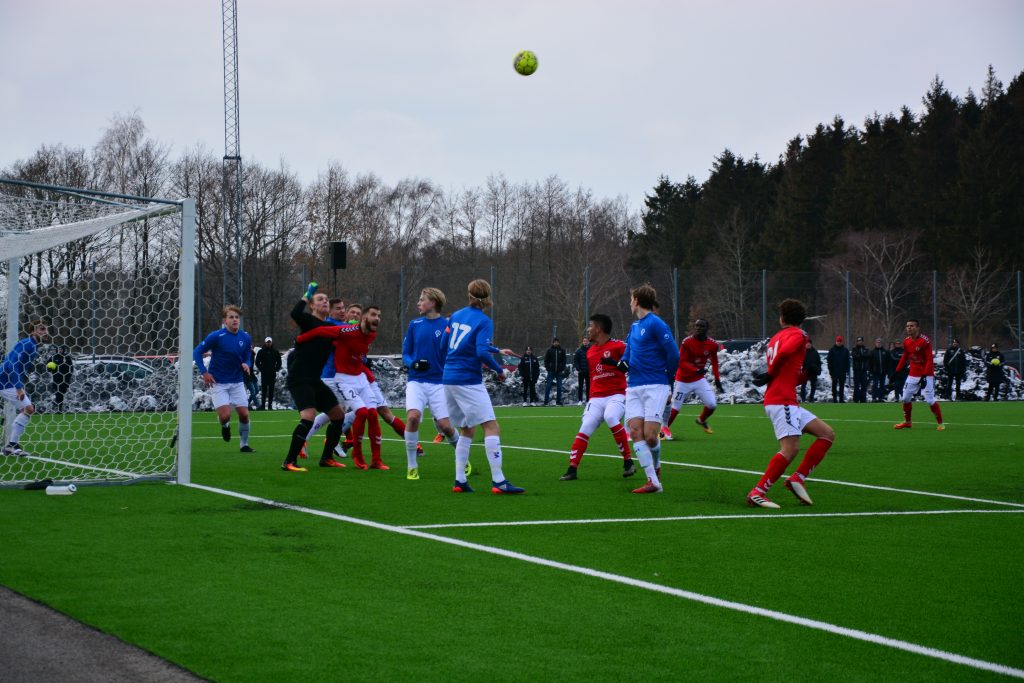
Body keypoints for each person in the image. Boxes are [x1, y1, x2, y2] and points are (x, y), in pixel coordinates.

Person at [747, 299, 835, 509]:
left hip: (785, 399)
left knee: (827, 434)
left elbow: (787, 374)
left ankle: (798, 478)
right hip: (781, 400)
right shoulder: (799, 335)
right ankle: (758, 492)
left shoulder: (775, 337)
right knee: (790, 448)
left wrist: (806, 375)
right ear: (802, 320)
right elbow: (785, 355)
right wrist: (771, 373)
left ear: (782, 318)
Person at [441, 279, 523, 494]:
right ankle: (499, 481)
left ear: (469, 294)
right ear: (488, 297)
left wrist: (496, 350)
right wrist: (499, 370)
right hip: (468, 379)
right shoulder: (484, 320)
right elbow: (479, 352)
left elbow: (447, 345)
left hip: (448, 378)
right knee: (491, 426)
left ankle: (460, 481)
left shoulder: (456, 315)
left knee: (467, 428)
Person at [299, 305, 388, 470]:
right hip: (337, 378)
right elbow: (322, 333)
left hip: (358, 378)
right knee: (339, 413)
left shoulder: (370, 334)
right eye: (374, 315)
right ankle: (347, 450)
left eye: (379, 315)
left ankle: (375, 459)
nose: (377, 318)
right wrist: (301, 340)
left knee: (359, 414)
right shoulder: (342, 329)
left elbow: (357, 351)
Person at [613, 284, 679, 494]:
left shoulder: (656, 324)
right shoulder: (634, 327)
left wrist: (668, 382)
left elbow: (674, 355)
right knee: (634, 431)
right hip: (633, 387)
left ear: (637, 301)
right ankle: (653, 481)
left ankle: (657, 466)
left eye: (631, 299)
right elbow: (628, 354)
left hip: (655, 385)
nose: (629, 302)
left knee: (651, 436)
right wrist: (622, 363)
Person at [279, 283, 348, 472]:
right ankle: (289, 461)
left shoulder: (328, 327)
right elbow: (295, 314)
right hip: (300, 378)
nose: (325, 301)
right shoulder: (308, 321)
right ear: (312, 306)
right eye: (320, 299)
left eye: (327, 299)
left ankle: (326, 458)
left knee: (338, 416)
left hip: (315, 380)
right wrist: (308, 293)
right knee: (308, 417)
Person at [559, 314, 635, 481]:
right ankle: (572, 469)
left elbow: (631, 363)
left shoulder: (619, 346)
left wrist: (616, 364)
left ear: (599, 328)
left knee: (610, 416)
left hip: (616, 395)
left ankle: (628, 462)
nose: (588, 330)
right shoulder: (590, 351)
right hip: (596, 398)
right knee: (585, 426)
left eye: (590, 326)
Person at [401, 287, 461, 481]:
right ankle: (412, 466)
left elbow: (456, 351)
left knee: (445, 426)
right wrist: (414, 363)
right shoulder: (414, 324)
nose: (418, 303)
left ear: (433, 303)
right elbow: (406, 353)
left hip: (439, 383)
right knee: (413, 418)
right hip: (416, 381)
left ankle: (462, 459)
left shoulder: (447, 325)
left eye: (422, 299)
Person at [192, 306, 255, 453]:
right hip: (218, 382)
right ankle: (225, 426)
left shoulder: (245, 337)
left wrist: (247, 363)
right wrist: (204, 372)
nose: (234, 320)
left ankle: (244, 445)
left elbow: (247, 356)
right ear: (225, 320)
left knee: (244, 414)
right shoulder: (216, 336)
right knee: (225, 416)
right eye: (231, 317)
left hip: (237, 381)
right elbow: (197, 352)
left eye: (237, 317)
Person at [662, 318, 723, 440]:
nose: (698, 328)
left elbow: (715, 362)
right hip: (683, 380)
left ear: (707, 329)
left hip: (699, 380)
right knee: (676, 408)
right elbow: (682, 362)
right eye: (697, 326)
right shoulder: (687, 342)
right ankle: (663, 430)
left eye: (701, 326)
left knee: (711, 404)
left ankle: (701, 420)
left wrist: (717, 379)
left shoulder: (712, 344)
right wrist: (695, 369)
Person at [0, 319, 49, 456]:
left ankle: (11, 446)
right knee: (28, 408)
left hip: (6, 381)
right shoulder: (27, 344)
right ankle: (11, 445)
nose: (45, 332)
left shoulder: (31, 345)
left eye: (46, 329)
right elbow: (12, 365)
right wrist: (19, 387)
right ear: (33, 331)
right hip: (4, 382)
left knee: (26, 409)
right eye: (41, 329)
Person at [893, 319, 944, 430]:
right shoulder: (906, 341)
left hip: (926, 374)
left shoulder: (924, 341)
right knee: (906, 398)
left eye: (911, 326)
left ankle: (940, 423)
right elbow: (905, 356)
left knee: (930, 400)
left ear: (917, 328)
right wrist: (897, 371)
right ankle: (908, 422)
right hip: (913, 374)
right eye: (907, 326)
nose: (909, 328)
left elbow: (929, 359)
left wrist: (925, 375)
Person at [255, 336, 282, 409]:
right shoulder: (261, 351)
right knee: (264, 390)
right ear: (265, 342)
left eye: (269, 342)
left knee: (271, 390)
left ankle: (270, 406)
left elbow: (279, 362)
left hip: (272, 374)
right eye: (267, 342)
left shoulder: (275, 351)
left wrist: (276, 369)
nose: (268, 343)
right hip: (264, 374)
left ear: (271, 342)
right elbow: (257, 362)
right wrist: (262, 369)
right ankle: (263, 406)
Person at [543, 337, 567, 405]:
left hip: (559, 371)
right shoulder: (549, 350)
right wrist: (548, 368)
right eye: (555, 342)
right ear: (553, 343)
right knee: (548, 386)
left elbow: (564, 360)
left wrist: (562, 368)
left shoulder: (562, 350)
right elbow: (546, 360)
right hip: (551, 371)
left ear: (559, 343)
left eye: (557, 342)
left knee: (559, 386)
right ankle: (546, 401)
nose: (556, 343)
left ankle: (558, 401)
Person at [826, 336, 850, 403]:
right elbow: (829, 361)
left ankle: (841, 399)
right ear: (836, 342)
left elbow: (847, 361)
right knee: (834, 385)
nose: (839, 343)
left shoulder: (845, 350)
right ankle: (834, 398)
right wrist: (830, 370)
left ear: (842, 342)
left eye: (840, 342)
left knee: (842, 386)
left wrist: (847, 370)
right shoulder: (832, 350)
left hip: (842, 371)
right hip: (834, 371)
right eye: (838, 341)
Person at [50, 345, 73, 412]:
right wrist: (50, 368)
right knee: (58, 393)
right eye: (59, 349)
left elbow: (71, 367)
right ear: (57, 350)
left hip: (65, 379)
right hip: (56, 378)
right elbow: (48, 365)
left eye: (61, 349)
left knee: (63, 392)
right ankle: (59, 408)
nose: (60, 350)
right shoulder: (53, 357)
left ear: (63, 350)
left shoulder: (67, 357)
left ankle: (63, 407)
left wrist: (69, 375)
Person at [868, 337, 889, 402]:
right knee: (875, 384)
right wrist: (870, 371)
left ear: (882, 343)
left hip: (883, 371)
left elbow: (888, 362)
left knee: (882, 385)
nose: (878, 344)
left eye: (880, 342)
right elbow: (869, 362)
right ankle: (874, 397)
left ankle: (881, 397)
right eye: (877, 342)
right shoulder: (872, 352)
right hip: (875, 372)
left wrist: (887, 370)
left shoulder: (885, 352)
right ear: (875, 343)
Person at [851, 336, 871, 403]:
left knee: (864, 385)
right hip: (857, 370)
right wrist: (862, 356)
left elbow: (868, 356)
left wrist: (861, 356)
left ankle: (863, 399)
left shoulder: (866, 349)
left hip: (864, 370)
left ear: (863, 342)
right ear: (857, 342)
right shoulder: (854, 349)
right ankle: (856, 399)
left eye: (861, 341)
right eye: (858, 341)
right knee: (856, 385)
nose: (860, 342)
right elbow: (855, 357)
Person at [572, 336, 590, 404]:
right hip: (581, 371)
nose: (585, 342)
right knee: (580, 386)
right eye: (584, 341)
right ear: (583, 342)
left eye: (586, 341)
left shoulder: (591, 349)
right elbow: (576, 361)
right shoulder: (578, 350)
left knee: (589, 386)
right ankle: (580, 400)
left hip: (589, 371)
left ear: (588, 342)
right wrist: (578, 369)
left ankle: (588, 400)